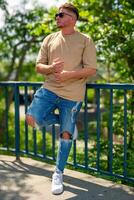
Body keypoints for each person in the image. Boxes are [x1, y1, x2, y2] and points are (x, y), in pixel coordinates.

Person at [26, 3, 97, 195]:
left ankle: (58, 172)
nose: (57, 17)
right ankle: (69, 124)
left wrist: (68, 75)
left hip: (72, 95)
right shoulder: (49, 39)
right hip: (49, 89)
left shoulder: (85, 40)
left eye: (61, 15)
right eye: (56, 14)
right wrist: (51, 69)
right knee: (32, 119)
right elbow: (38, 66)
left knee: (65, 135)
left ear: (73, 19)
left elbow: (91, 69)